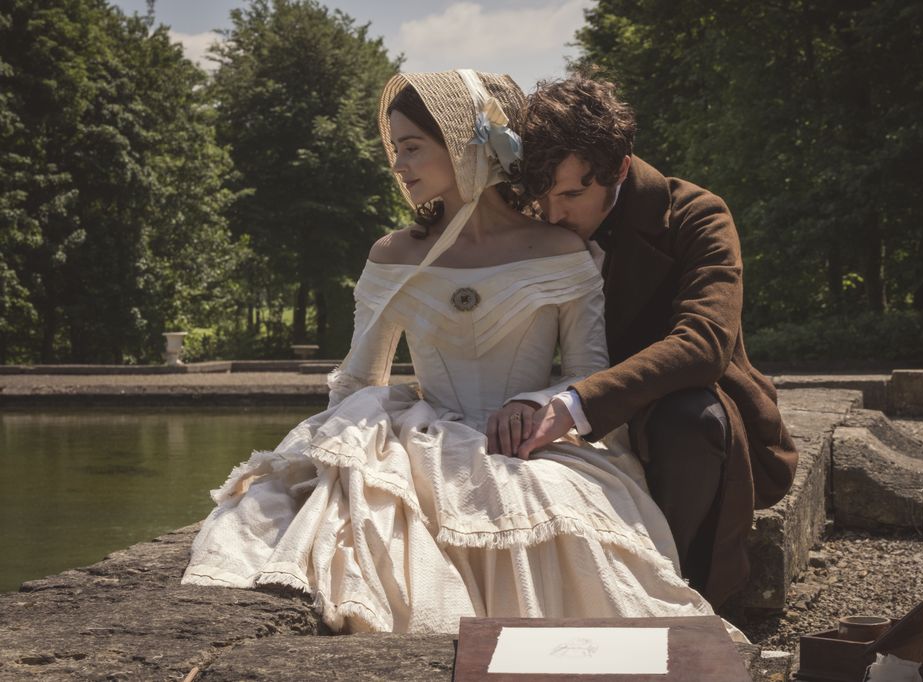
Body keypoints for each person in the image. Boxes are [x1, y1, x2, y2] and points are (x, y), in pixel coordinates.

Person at [181, 69, 741, 638]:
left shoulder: (570, 245)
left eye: (413, 148)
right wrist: (327, 460)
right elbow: (358, 381)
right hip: (422, 435)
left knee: (578, 487)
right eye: (395, 149)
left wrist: (540, 404)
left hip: (538, 432)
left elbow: (601, 368)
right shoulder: (394, 253)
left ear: (461, 143)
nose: (398, 166)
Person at [508, 73, 800, 609]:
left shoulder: (698, 215)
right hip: (565, 408)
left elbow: (705, 342)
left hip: (676, 416)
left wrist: (576, 404)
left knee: (692, 420)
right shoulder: (533, 222)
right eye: (542, 198)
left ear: (618, 168)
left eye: (572, 194)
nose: (552, 216)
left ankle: (679, 595)